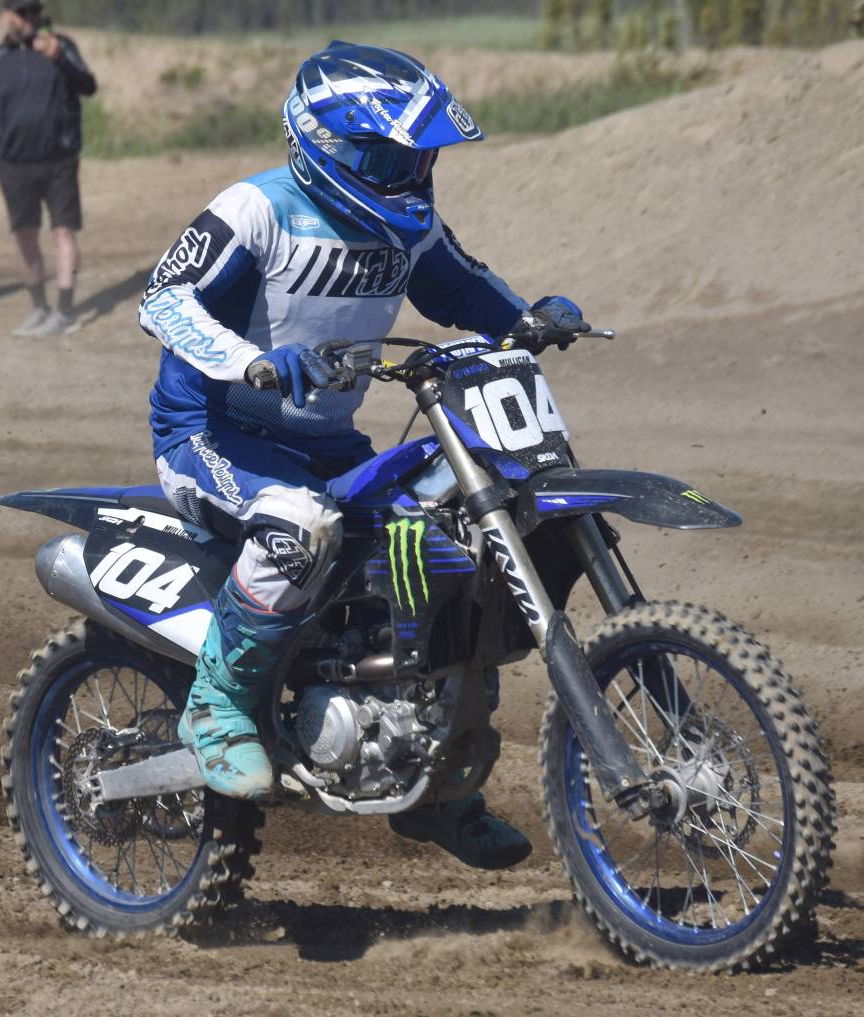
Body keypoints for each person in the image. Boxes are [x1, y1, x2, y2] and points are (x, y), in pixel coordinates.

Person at [138, 42, 587, 870]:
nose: (408, 172)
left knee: (450, 546)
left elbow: (460, 288)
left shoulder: (403, 229)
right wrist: (251, 360)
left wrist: (524, 321)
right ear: (327, 144)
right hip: (212, 433)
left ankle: (441, 782)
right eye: (389, 155)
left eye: (418, 157)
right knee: (299, 527)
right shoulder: (254, 209)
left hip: (328, 443)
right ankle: (219, 702)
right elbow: (165, 300)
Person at [0, 0, 96, 338]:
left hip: (59, 160)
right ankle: (39, 307)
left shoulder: (62, 46)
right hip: (13, 166)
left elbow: (88, 85)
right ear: (7, 17)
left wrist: (59, 57)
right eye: (22, 13)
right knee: (25, 235)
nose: (30, 19)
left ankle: (66, 311)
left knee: (63, 232)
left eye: (33, 12)